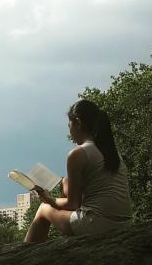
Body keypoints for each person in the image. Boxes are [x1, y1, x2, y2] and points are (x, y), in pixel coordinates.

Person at [24, 99, 132, 243]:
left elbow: (73, 204)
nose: (69, 130)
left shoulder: (78, 153)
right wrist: (65, 184)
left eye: (69, 125)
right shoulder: (112, 152)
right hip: (125, 223)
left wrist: (49, 199)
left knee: (43, 209)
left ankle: (24, 257)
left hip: (98, 224)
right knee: (66, 182)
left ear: (78, 123)